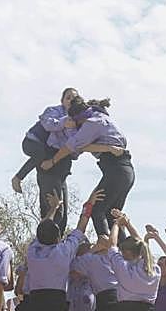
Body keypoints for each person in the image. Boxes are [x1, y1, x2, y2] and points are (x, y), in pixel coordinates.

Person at [39, 97, 133, 237]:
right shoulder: (100, 115)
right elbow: (82, 146)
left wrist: (52, 161)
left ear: (79, 119)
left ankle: (106, 246)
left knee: (97, 210)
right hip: (125, 170)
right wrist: (107, 148)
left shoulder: (91, 123)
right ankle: (124, 252)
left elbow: (72, 146)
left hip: (116, 170)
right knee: (112, 214)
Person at [9, 88, 80, 230]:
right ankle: (18, 177)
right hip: (32, 141)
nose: (71, 100)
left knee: (62, 214)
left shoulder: (76, 120)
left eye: (74, 98)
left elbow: (72, 145)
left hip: (56, 164)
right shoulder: (54, 111)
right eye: (68, 97)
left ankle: (58, 242)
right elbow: (49, 125)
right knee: (40, 155)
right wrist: (65, 122)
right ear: (62, 100)